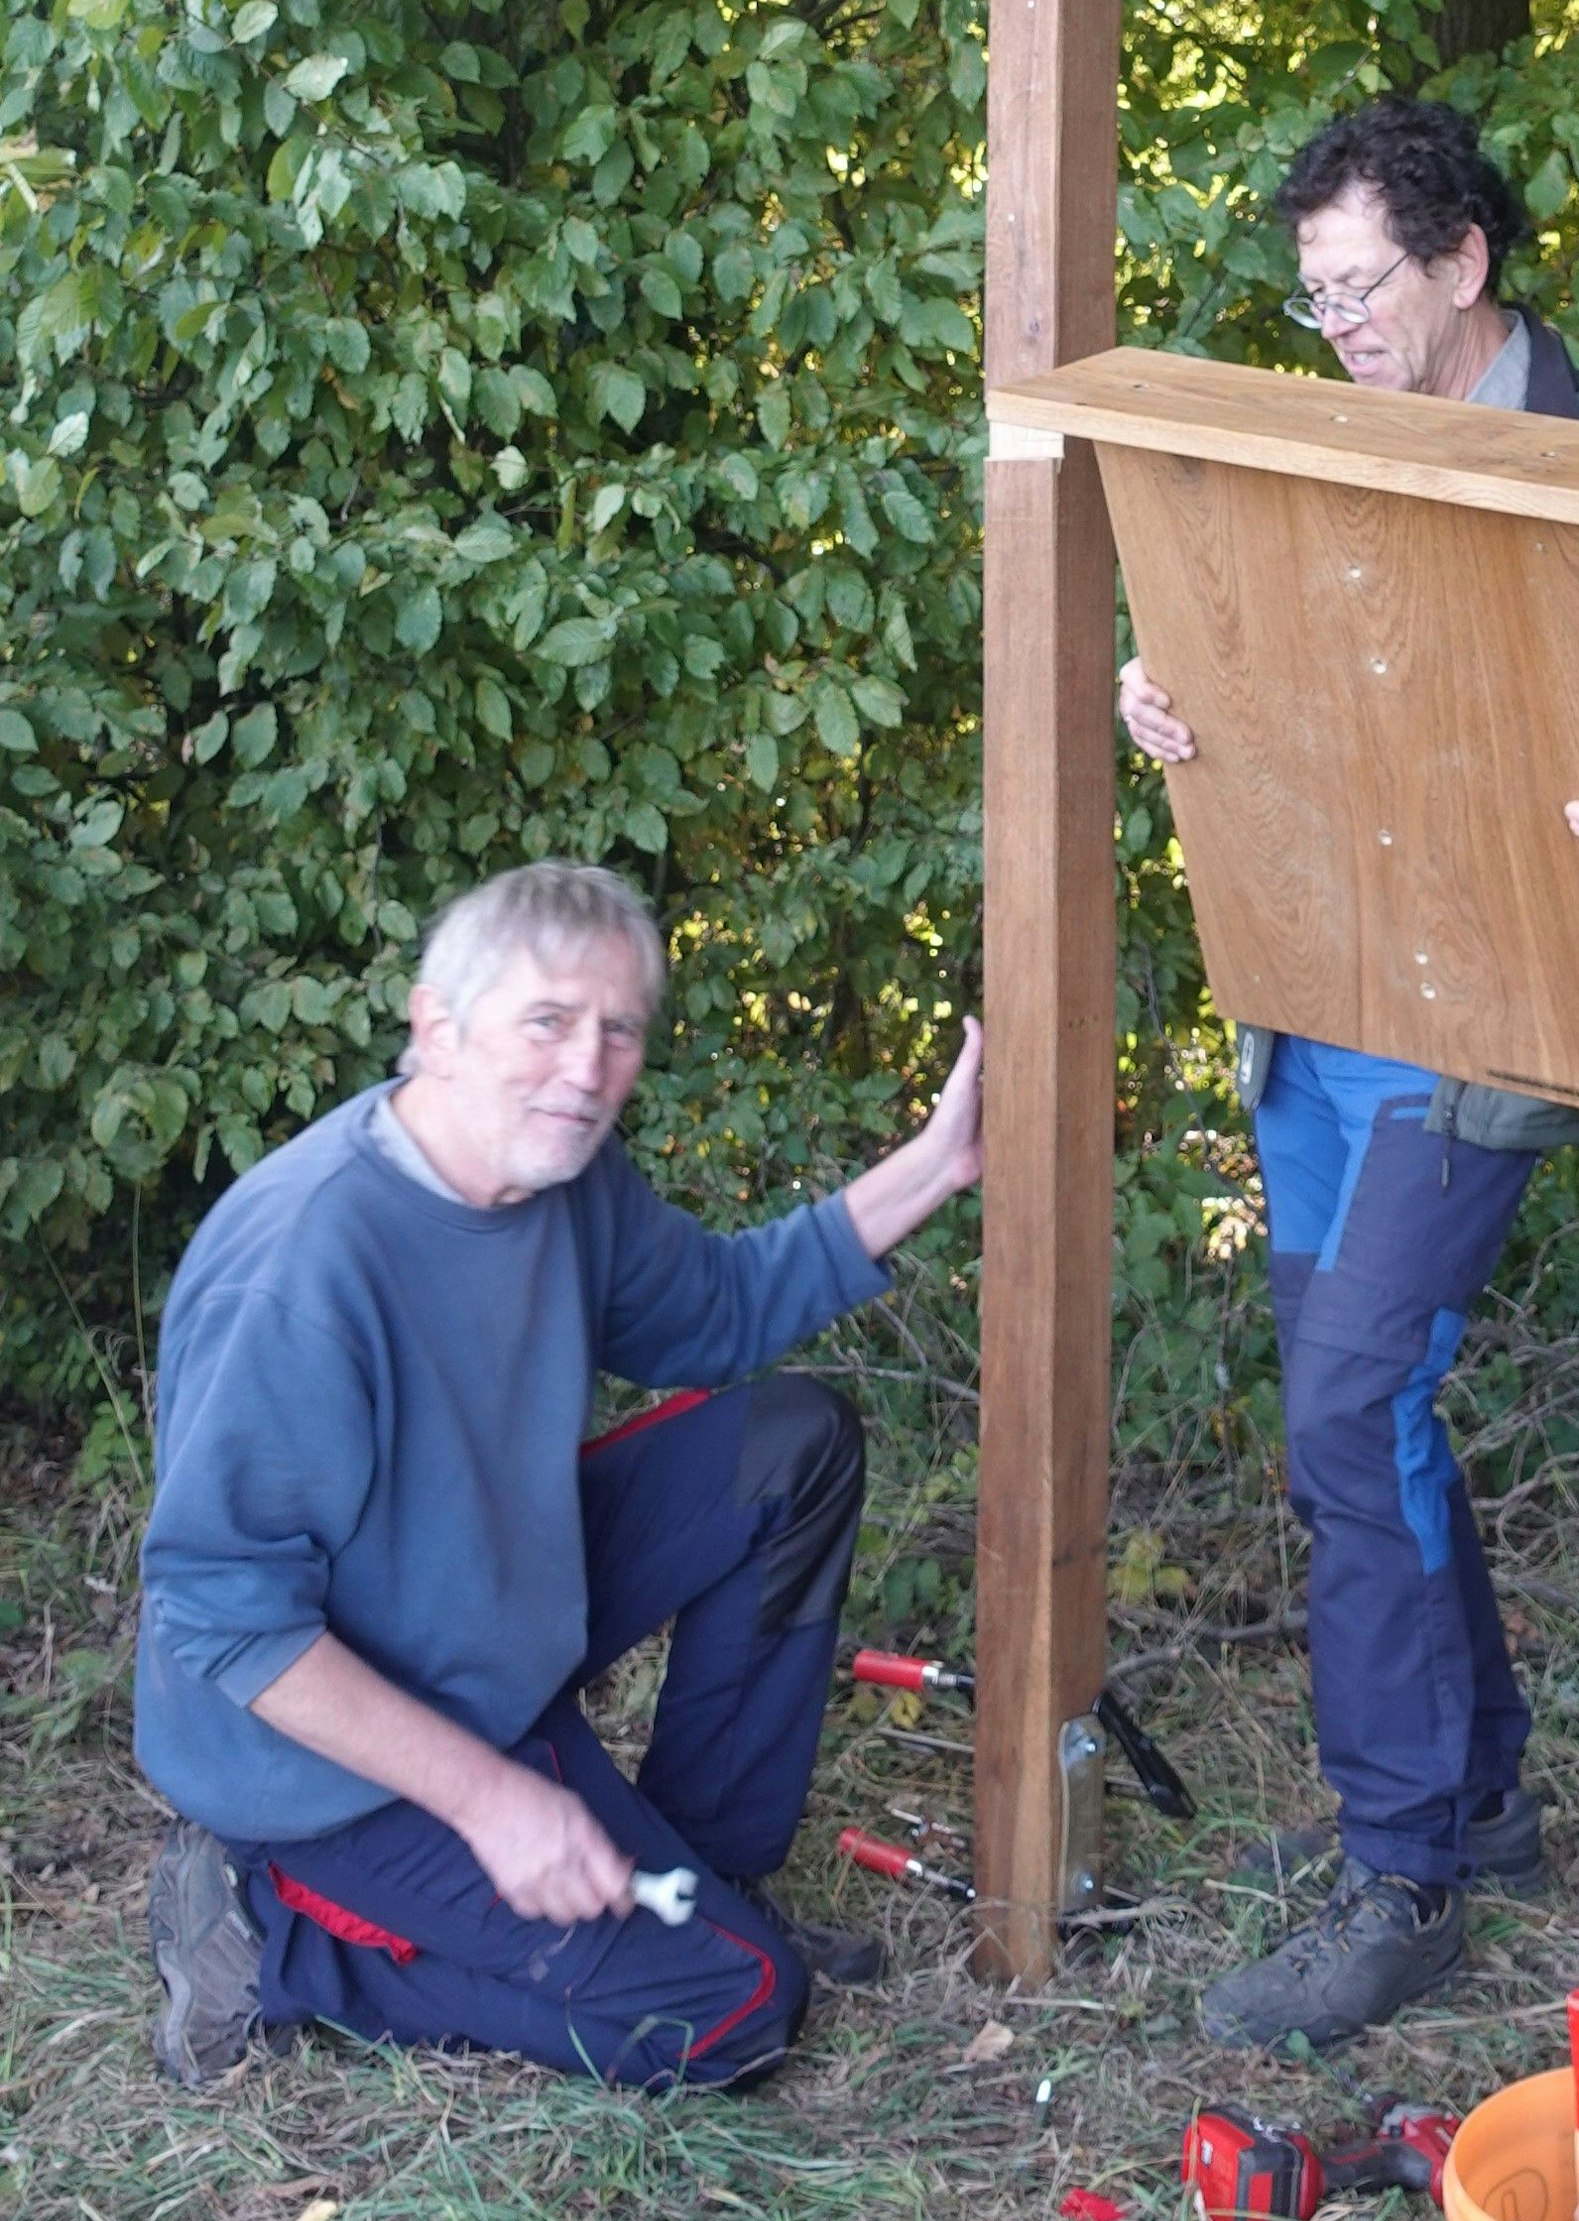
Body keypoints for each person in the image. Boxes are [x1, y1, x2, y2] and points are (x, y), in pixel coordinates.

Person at [1119, 98, 1579, 2050]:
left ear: (1460, 265)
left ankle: (1398, 1870)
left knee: (1348, 1409)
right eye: (1309, 289)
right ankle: (1480, 1796)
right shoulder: (1318, 433)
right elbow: (1261, 663)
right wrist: (1166, 692)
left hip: (1481, 1018)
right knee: (1375, 1410)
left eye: (1354, 289)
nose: (1324, 320)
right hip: (1310, 998)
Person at [136, 860, 982, 2091]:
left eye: (618, 1030)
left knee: (788, 1445)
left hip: (469, 1619)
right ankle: (273, 1927)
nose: (586, 1069)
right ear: (436, 1025)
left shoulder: (566, 1178)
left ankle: (702, 1862)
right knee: (732, 2007)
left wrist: (937, 1161)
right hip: (308, 1755)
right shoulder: (305, 1267)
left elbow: (721, 1307)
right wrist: (490, 1800)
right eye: (547, 1021)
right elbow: (222, 1612)